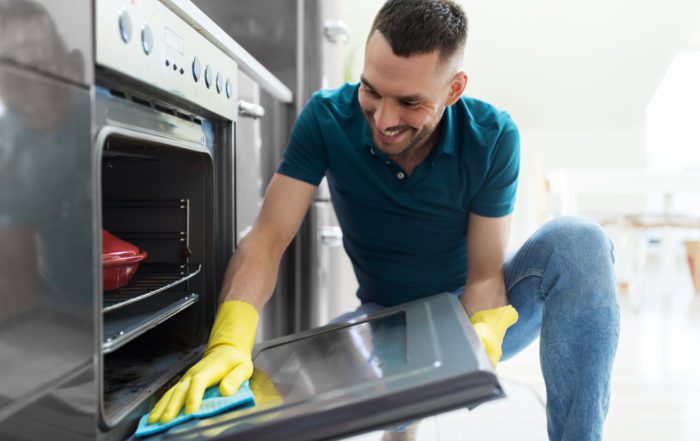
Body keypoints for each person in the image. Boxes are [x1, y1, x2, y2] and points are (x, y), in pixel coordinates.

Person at [148, 1, 620, 440]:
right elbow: (267, 239)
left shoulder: (493, 136)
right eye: (371, 91)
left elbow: (484, 277)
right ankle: (402, 419)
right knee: (270, 413)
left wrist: (476, 338)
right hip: (381, 322)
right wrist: (229, 339)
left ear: (454, 89)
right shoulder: (326, 118)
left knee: (580, 241)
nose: (384, 119)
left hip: (469, 313)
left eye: (410, 102)